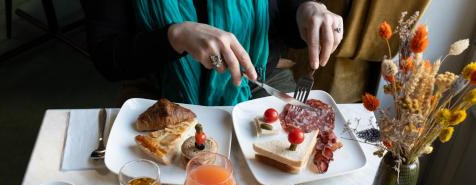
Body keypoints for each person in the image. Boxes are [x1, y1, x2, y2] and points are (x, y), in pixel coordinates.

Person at [81, 0, 343, 106]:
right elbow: (108, 56)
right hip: (156, 93)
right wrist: (175, 37)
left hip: (259, 83)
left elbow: (285, 15)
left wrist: (306, 11)